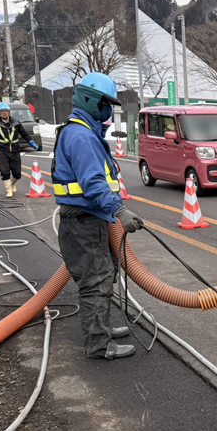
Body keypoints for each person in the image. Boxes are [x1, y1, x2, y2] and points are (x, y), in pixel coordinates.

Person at [52, 72, 145, 360]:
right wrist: (119, 210)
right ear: (93, 101)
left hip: (91, 219)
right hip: (83, 222)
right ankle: (99, 344)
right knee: (95, 281)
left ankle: (102, 329)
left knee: (104, 275)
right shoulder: (80, 136)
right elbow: (93, 183)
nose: (109, 110)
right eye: (107, 104)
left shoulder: (83, 131)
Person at [0, 102, 40, 197]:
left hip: (15, 150)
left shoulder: (16, 123)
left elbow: (24, 134)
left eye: (6, 111)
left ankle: (12, 184)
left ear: (9, 112)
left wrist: (32, 143)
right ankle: (9, 190)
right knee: (4, 171)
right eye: (2, 111)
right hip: (2, 150)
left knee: (17, 173)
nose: (4, 113)